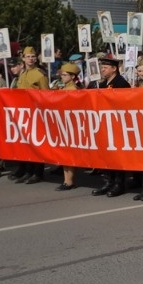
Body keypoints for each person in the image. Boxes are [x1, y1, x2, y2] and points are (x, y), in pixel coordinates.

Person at [89, 55, 131, 196]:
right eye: (102, 67)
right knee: (106, 155)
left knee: (117, 156)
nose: (102, 70)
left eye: (105, 68)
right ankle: (108, 182)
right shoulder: (102, 84)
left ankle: (119, 184)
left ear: (114, 69)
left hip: (117, 125)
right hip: (104, 124)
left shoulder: (121, 83)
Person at [9, 46, 50, 184]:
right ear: (23, 58)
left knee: (37, 144)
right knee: (27, 144)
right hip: (24, 114)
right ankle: (28, 171)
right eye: (28, 57)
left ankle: (38, 173)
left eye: (33, 56)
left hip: (36, 113)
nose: (31, 59)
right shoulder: (22, 74)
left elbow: (46, 94)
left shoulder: (40, 74)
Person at [53, 62, 83, 190]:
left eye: (65, 75)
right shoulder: (64, 88)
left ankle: (69, 181)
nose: (62, 77)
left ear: (72, 76)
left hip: (70, 125)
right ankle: (66, 180)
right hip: (63, 124)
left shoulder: (73, 90)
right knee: (64, 154)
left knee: (69, 154)